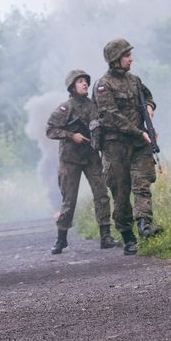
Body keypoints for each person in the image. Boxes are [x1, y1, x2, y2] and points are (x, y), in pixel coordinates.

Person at [93, 38, 160, 256]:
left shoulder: (134, 80)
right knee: (121, 192)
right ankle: (128, 236)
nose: (131, 58)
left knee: (142, 184)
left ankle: (145, 224)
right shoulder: (103, 85)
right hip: (115, 146)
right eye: (126, 55)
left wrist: (149, 108)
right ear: (115, 59)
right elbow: (111, 116)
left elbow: (148, 96)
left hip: (140, 143)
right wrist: (138, 131)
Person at [45, 69, 117, 254]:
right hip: (70, 160)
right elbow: (51, 130)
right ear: (72, 87)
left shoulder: (94, 106)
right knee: (69, 200)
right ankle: (61, 239)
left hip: (91, 157)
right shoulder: (66, 108)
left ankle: (106, 236)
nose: (84, 83)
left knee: (101, 194)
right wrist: (71, 135)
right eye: (80, 81)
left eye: (86, 81)